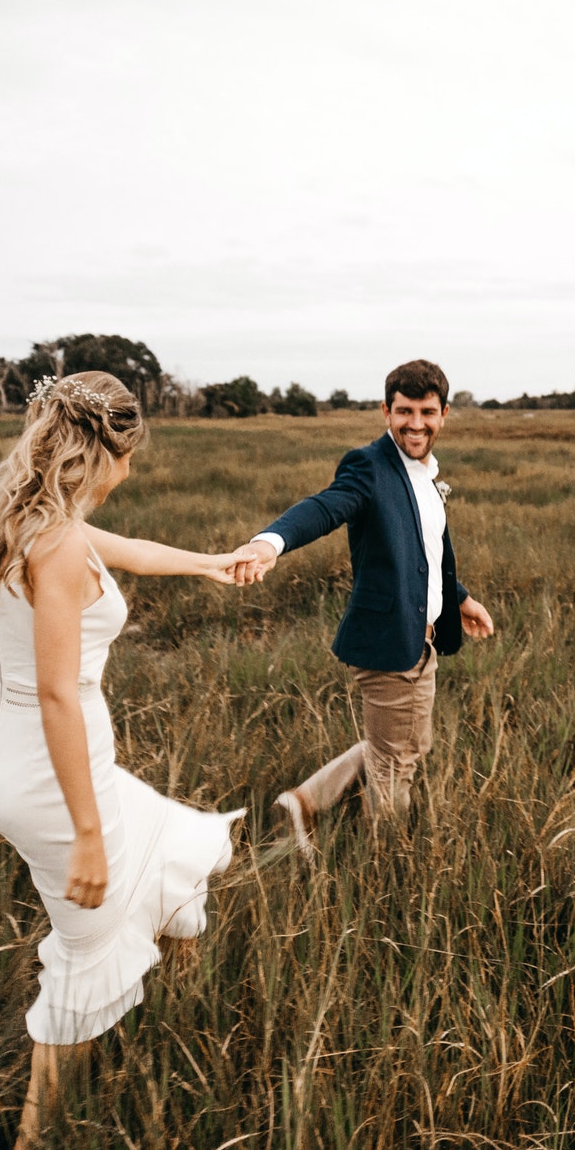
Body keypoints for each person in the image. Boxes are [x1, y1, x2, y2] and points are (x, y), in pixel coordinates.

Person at [0, 372, 257, 1150]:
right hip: (49, 767)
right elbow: (58, 694)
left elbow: (128, 552)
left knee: (171, 838)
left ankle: (182, 1013)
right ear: (108, 448)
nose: (132, 470)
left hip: (1, 754)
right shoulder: (57, 548)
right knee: (86, 954)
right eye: (131, 453)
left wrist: (211, 563)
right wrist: (87, 832)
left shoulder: (31, 521)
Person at [231, 359, 494, 853]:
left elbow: (427, 551)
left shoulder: (425, 474)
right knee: (397, 761)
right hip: (388, 640)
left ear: (444, 414)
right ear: (385, 412)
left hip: (424, 637)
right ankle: (386, 862)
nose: (416, 423)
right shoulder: (368, 466)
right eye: (405, 411)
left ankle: (303, 803)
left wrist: (459, 599)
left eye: (427, 412)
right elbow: (327, 506)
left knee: (407, 747)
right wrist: (270, 542)